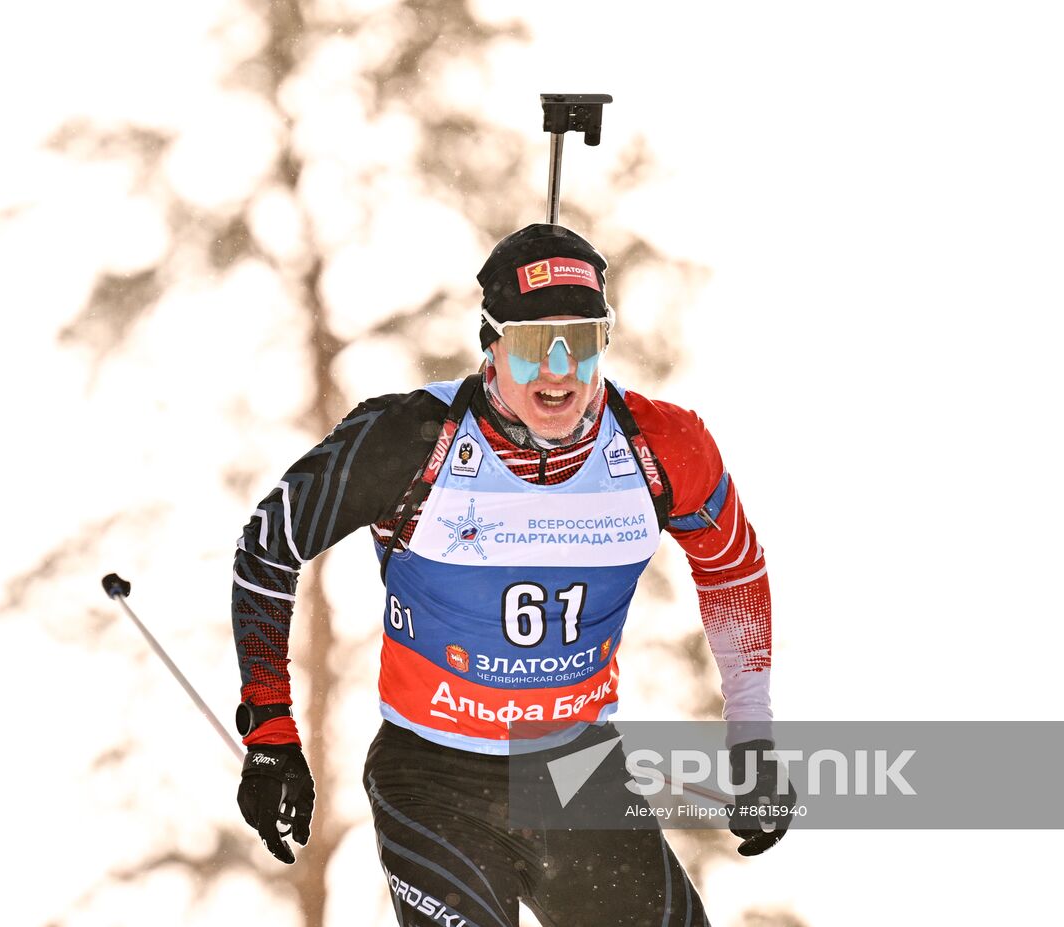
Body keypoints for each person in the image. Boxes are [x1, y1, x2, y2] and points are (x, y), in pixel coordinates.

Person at [231, 224, 792, 926]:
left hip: (574, 770)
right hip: (434, 777)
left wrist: (753, 737)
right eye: (531, 345)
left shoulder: (661, 446)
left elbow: (732, 568)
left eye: (581, 341)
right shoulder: (410, 442)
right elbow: (268, 546)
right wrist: (271, 728)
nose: (558, 369)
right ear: (490, 345)